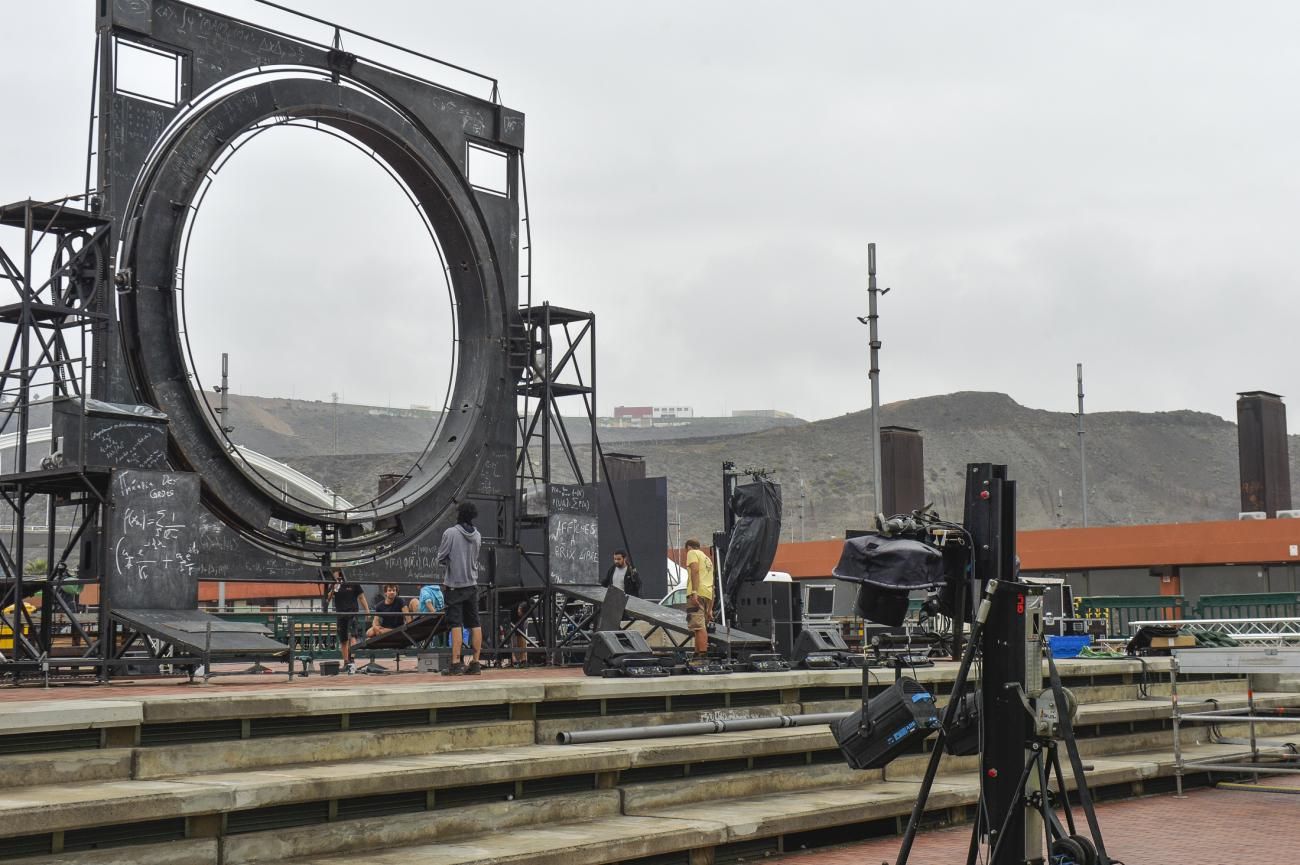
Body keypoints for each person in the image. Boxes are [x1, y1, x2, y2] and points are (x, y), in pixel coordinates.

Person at [438, 501, 483, 675]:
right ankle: (476, 663)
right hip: (472, 584)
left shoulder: (450, 533)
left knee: (455, 623)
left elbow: (441, 557)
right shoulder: (478, 535)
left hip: (454, 586)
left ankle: (456, 663)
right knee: (474, 623)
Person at [326, 569, 369, 672]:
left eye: (337, 574)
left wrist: (367, 611)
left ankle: (352, 660)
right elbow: (328, 599)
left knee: (353, 635)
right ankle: (346, 662)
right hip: (340, 613)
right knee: (343, 639)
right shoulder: (334, 585)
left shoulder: (353, 583)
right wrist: (333, 587)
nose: (336, 577)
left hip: (352, 612)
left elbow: (361, 597)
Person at [684, 539, 715, 656]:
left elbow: (695, 571)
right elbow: (712, 584)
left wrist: (694, 592)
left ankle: (702, 656)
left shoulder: (692, 553)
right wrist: (710, 608)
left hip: (698, 592)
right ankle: (698, 656)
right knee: (699, 627)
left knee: (699, 627)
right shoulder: (707, 560)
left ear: (688, 547)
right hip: (707, 594)